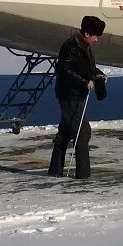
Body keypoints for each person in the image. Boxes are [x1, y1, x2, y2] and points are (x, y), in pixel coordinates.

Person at [49, 15, 108, 179]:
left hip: (77, 95)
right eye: (95, 36)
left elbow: (87, 68)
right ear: (88, 34)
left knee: (66, 130)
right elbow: (64, 70)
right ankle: (83, 174)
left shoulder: (84, 46)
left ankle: (55, 170)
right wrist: (84, 82)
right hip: (70, 95)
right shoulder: (71, 46)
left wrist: (98, 75)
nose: (96, 40)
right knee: (82, 132)